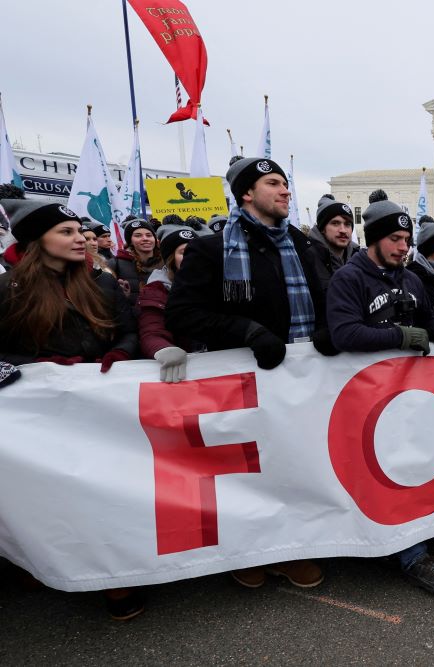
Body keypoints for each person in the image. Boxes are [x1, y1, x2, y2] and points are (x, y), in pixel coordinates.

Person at [166, 157, 333, 590]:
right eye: (273, 183)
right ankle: (246, 550)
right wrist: (247, 330)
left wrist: (327, 331)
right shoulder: (212, 249)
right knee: (250, 475)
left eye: (286, 184)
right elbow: (183, 315)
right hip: (246, 383)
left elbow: (323, 299)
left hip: (301, 381)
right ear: (246, 193)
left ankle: (292, 550)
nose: (285, 191)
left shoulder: (302, 245)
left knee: (297, 465)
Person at [0, 199, 142, 620]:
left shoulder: (100, 282)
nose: (80, 238)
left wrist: (120, 350)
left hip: (101, 407)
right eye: (66, 232)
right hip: (43, 418)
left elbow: (129, 330)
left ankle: (117, 578)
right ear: (35, 241)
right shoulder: (8, 291)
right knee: (59, 497)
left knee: (107, 489)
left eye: (80, 230)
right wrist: (36, 367)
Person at [326, 195, 434, 591]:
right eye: (396, 239)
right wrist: (399, 335)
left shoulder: (412, 278)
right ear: (375, 240)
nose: (404, 247)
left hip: (411, 397)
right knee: (387, 474)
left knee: (417, 466)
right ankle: (412, 556)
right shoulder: (348, 279)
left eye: (407, 239)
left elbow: (430, 325)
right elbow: (344, 332)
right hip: (367, 401)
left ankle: (420, 540)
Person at [139, 224, 211, 382]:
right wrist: (164, 349)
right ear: (171, 259)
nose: (193, 256)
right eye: (184, 252)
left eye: (196, 251)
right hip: (185, 373)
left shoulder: (217, 285)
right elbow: (152, 329)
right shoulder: (157, 290)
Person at [306, 198, 360, 292]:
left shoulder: (359, 258)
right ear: (322, 228)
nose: (343, 230)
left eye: (347, 224)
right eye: (335, 223)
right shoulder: (306, 259)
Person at [109, 218, 163, 308]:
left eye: (149, 235)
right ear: (130, 241)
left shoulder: (167, 263)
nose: (145, 238)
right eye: (138, 236)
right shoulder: (115, 264)